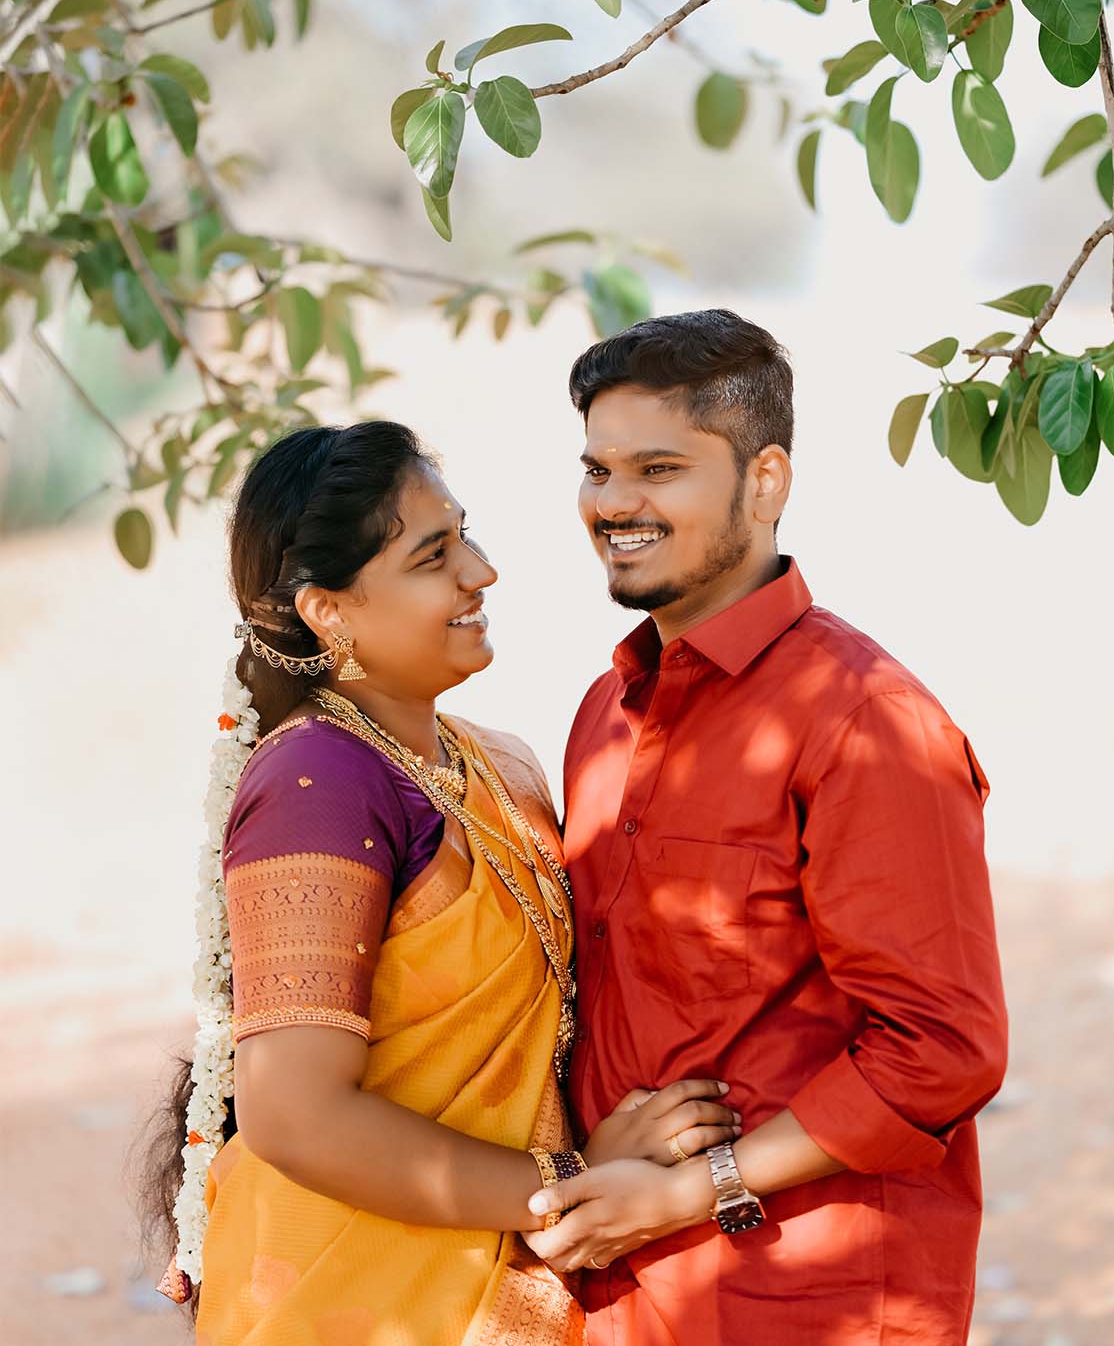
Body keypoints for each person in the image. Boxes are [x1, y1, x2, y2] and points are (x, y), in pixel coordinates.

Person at [142, 420, 737, 1346]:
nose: (481, 572)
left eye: (465, 534)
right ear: (328, 611)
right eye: (434, 556)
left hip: (491, 1253)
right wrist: (566, 1184)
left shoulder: (499, 765)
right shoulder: (319, 786)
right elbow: (294, 1115)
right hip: (360, 1294)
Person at [524, 311, 1009, 1345]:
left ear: (766, 480)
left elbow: (945, 1049)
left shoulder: (866, 721)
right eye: (599, 471)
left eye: (659, 469)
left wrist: (696, 1189)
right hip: (629, 1292)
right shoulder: (605, 711)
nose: (616, 505)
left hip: (805, 1297)